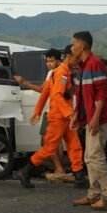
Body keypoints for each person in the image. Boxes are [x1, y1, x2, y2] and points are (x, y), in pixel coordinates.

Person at [18, 46, 84, 188]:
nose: (78, 61)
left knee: (75, 146)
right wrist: (71, 114)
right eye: (76, 58)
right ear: (68, 57)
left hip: (63, 117)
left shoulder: (58, 73)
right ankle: (25, 171)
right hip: (59, 117)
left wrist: (37, 111)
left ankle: (79, 177)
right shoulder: (62, 73)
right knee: (50, 148)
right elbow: (57, 96)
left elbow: (45, 92)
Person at [68, 32, 107, 209]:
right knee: (89, 157)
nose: (72, 48)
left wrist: (95, 118)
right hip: (91, 118)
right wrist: (76, 116)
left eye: (73, 45)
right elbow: (79, 95)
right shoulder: (82, 67)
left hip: (101, 118)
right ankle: (94, 194)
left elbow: (102, 94)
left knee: (95, 155)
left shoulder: (96, 64)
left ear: (82, 47)